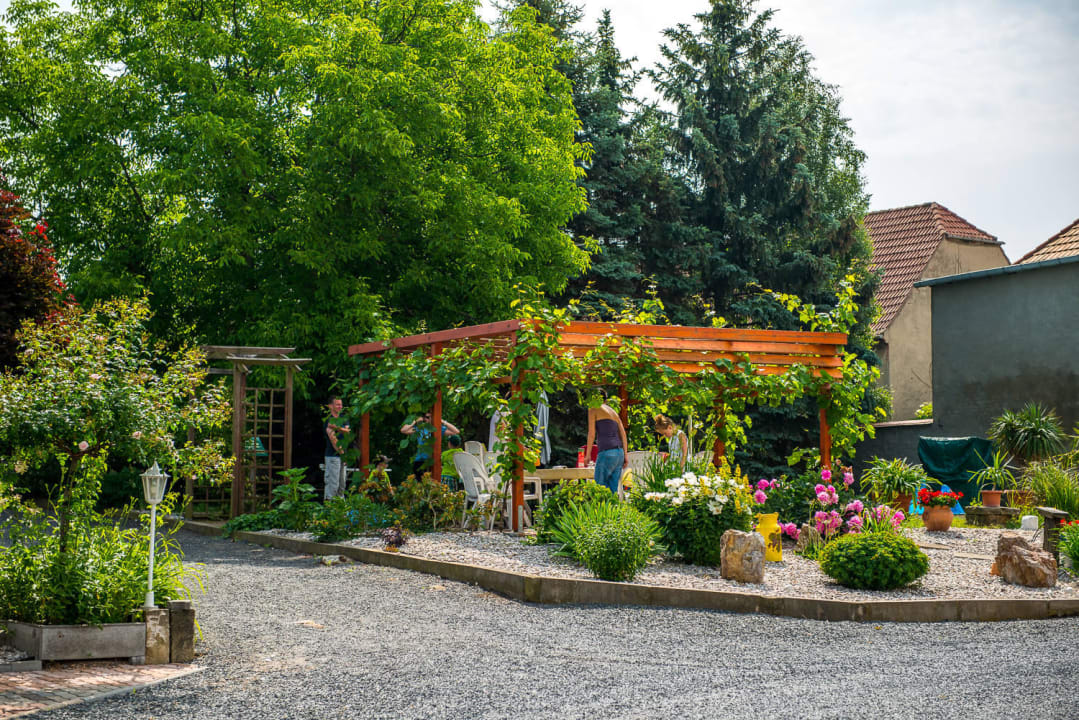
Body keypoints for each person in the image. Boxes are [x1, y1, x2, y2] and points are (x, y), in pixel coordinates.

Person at [585, 396, 628, 495]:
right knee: (613, 490)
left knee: (599, 489)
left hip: (607, 452)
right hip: (619, 453)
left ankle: (600, 510)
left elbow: (591, 434)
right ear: (605, 400)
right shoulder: (613, 412)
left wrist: (588, 455)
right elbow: (623, 435)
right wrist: (625, 455)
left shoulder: (593, 408)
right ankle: (614, 510)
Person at [401, 410, 460, 478]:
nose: (429, 419)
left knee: (433, 484)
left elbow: (456, 431)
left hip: (433, 461)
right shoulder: (420, 428)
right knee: (420, 484)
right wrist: (415, 421)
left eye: (431, 417)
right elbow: (403, 430)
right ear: (423, 418)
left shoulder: (437, 428)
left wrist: (442, 421)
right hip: (420, 460)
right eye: (427, 417)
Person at [323, 396, 351, 500]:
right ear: (330, 406)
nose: (340, 406)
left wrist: (336, 428)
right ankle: (330, 512)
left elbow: (348, 432)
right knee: (332, 486)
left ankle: (341, 514)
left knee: (342, 486)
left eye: (341, 404)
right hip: (333, 456)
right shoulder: (328, 420)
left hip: (343, 456)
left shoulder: (344, 418)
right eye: (337, 404)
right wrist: (342, 453)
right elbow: (333, 438)